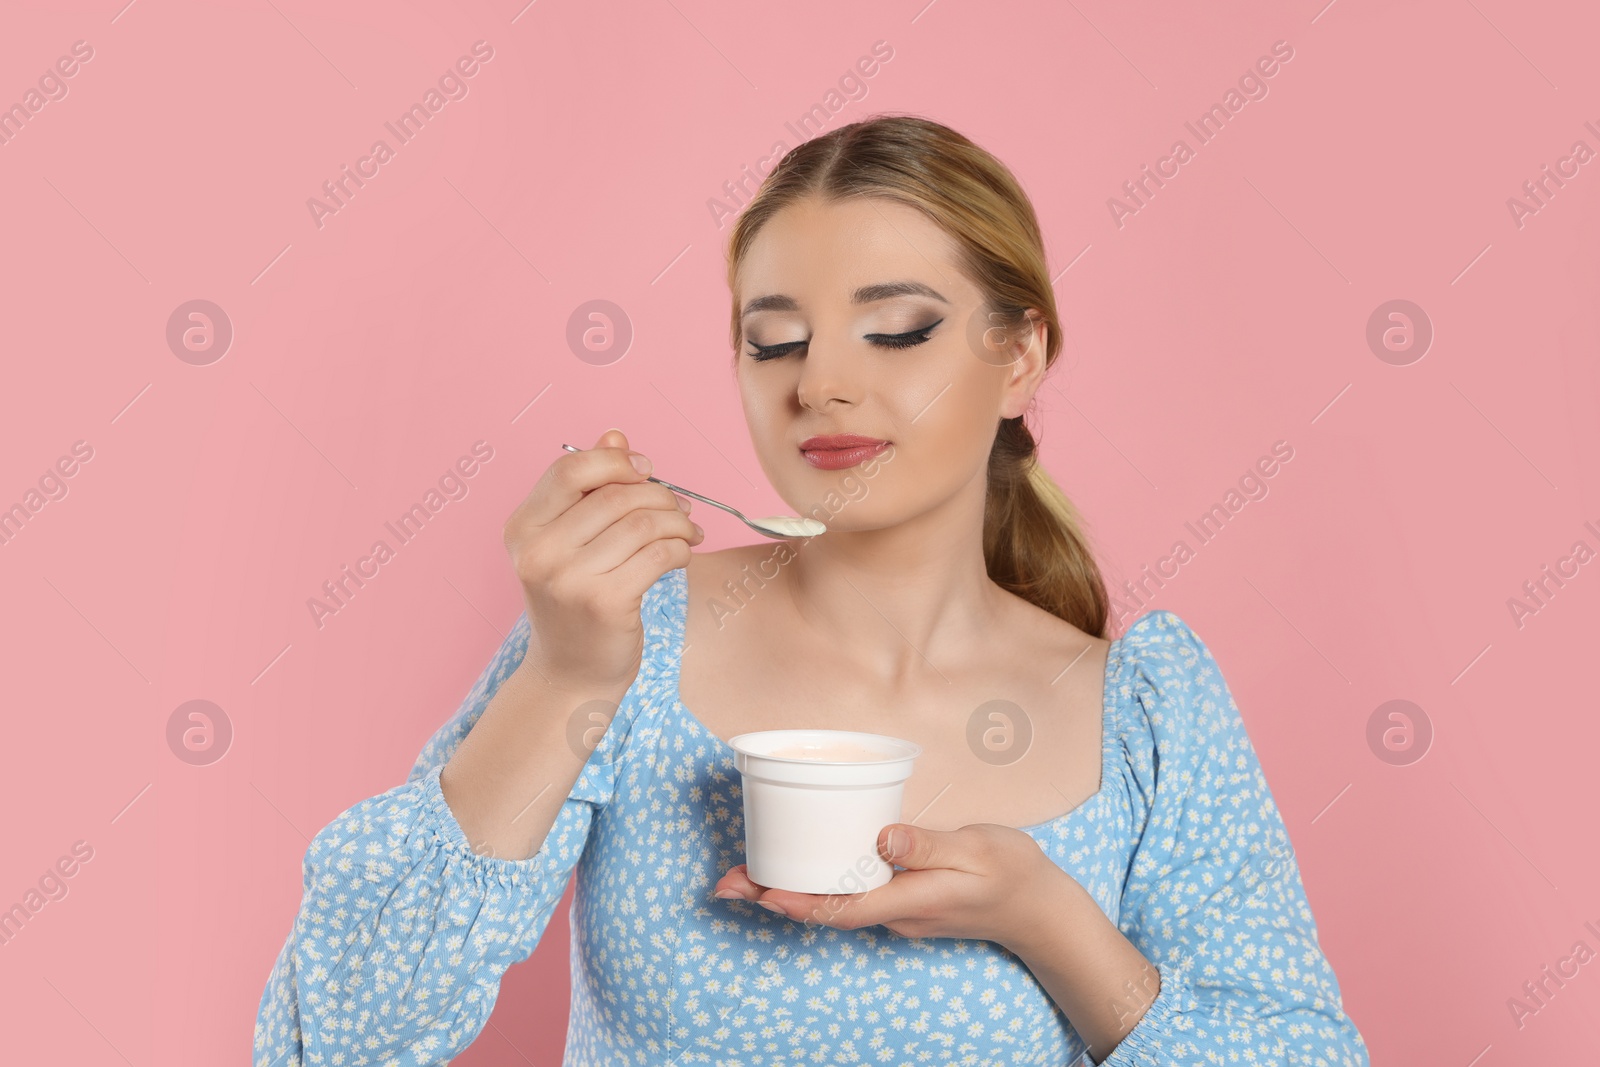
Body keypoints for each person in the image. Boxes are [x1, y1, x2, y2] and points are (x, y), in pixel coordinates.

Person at [254, 114, 1369, 1066]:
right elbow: (334, 1039)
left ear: (1020, 355)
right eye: (772, 340)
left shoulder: (1143, 711)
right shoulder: (627, 637)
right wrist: (563, 679)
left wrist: (1050, 925)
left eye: (896, 330)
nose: (821, 384)